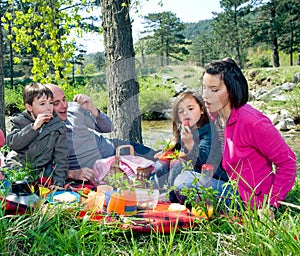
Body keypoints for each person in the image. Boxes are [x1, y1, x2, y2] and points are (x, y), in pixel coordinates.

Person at [176, 58, 296, 214]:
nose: (206, 95)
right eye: (204, 88)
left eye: (214, 89)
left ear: (231, 90)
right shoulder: (216, 116)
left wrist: (271, 205)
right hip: (232, 181)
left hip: (251, 198)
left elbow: (288, 163)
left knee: (183, 183)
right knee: (178, 169)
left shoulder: (253, 122)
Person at [46, 84, 157, 183]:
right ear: (46, 106)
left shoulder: (73, 109)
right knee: (156, 173)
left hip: (116, 147)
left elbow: (108, 127)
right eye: (56, 103)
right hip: (103, 168)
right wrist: (72, 173)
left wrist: (92, 109)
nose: (64, 105)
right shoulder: (46, 132)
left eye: (64, 99)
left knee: (161, 158)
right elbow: (45, 169)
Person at [152, 91, 227, 190]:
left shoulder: (208, 130)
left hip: (211, 173)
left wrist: (190, 144)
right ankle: (162, 191)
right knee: (160, 166)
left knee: (176, 167)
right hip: (191, 167)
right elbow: (179, 149)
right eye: (181, 111)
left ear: (202, 110)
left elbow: (205, 158)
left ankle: (170, 196)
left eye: (190, 109)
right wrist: (166, 153)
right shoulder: (184, 129)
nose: (186, 113)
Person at [5, 83, 68, 188]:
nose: (49, 108)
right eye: (42, 104)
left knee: (44, 181)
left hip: (41, 168)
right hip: (18, 164)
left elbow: (61, 157)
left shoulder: (58, 126)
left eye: (51, 103)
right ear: (29, 107)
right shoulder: (19, 121)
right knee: (13, 184)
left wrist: (58, 183)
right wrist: (33, 127)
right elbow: (13, 143)